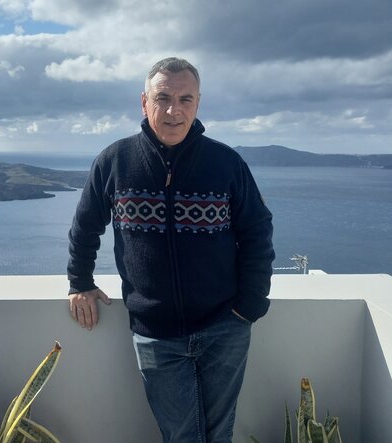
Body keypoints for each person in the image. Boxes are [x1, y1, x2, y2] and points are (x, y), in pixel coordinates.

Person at [66, 57, 275, 442]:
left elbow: (257, 232)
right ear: (143, 102)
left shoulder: (226, 163)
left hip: (225, 326)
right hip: (156, 333)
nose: (173, 110)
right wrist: (79, 282)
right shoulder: (114, 161)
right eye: (162, 97)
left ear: (198, 104)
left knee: (219, 433)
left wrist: (250, 304)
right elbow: (85, 227)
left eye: (185, 99)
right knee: (181, 436)